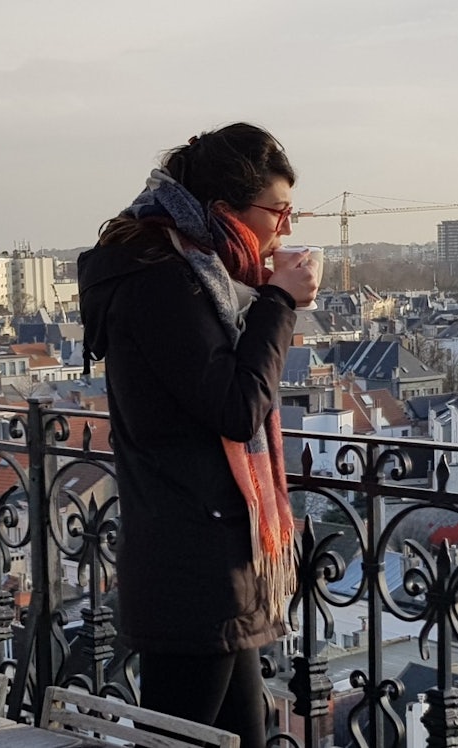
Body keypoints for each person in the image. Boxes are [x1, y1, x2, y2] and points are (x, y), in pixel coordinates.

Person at [77, 123, 317, 744]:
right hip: (193, 563)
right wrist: (280, 303)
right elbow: (237, 407)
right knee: (182, 737)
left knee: (240, 735)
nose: (285, 228)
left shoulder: (181, 269)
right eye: (278, 211)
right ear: (224, 211)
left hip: (200, 552)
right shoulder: (164, 281)